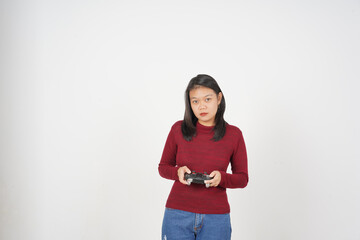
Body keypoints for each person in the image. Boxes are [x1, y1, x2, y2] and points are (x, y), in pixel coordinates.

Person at [158, 74, 249, 240]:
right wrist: (177, 173)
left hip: (216, 218)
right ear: (189, 103)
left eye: (207, 99)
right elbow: (163, 167)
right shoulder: (177, 129)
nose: (202, 106)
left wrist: (221, 178)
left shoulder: (234, 135)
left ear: (219, 98)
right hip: (177, 215)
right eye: (195, 101)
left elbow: (242, 179)